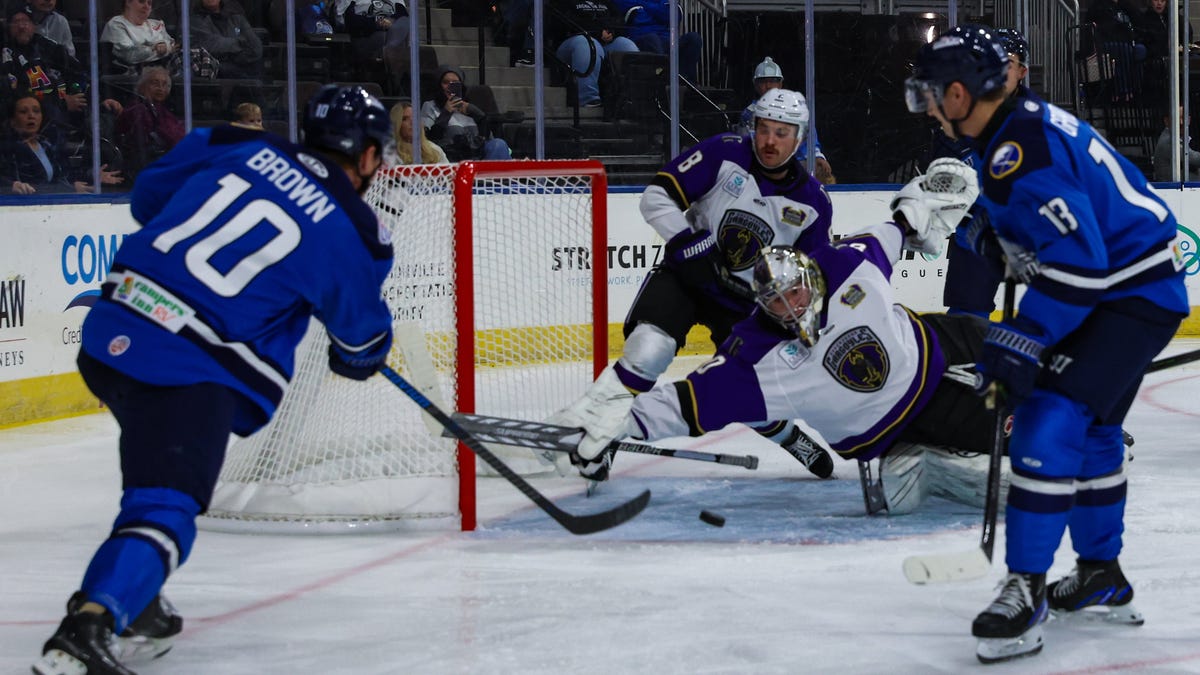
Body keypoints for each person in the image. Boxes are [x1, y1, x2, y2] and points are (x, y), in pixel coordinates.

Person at [31, 84, 396, 675]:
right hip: (185, 372)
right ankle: (90, 624)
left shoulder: (233, 143)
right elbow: (359, 345)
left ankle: (137, 594)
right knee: (164, 505)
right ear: (370, 157)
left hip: (109, 336)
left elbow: (149, 197)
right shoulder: (355, 230)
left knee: (152, 463)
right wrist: (361, 353)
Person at [905, 26, 1188, 663]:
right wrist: (994, 238)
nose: (925, 106)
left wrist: (1022, 338)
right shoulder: (1012, 129)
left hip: (1125, 294)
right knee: (1090, 430)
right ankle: (1100, 577)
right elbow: (1054, 223)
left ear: (958, 94)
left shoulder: (1017, 147)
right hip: (1134, 283)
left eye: (929, 94)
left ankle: (1027, 586)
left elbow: (1079, 265)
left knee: (1047, 418)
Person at [564, 160, 999, 508]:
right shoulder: (753, 359)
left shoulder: (847, 264)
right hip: (900, 418)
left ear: (810, 276)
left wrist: (921, 207)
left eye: (794, 292)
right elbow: (684, 403)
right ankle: (934, 462)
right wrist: (618, 427)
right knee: (1020, 432)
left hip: (938, 339)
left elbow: (899, 229)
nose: (790, 306)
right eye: (775, 301)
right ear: (760, 304)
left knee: (1025, 352)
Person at [550, 88, 836, 482]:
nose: (770, 141)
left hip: (745, 306)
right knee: (648, 350)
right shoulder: (725, 152)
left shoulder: (813, 203)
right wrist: (691, 243)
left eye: (782, 133)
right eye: (764, 129)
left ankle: (788, 437)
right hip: (686, 277)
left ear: (800, 138)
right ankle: (598, 432)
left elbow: (811, 277)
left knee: (743, 392)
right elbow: (655, 197)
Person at [734, 57, 834, 184]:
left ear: (781, 83)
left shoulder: (795, 107)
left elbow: (807, 137)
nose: (769, 86)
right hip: (763, 167)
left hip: (795, 163)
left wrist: (817, 156)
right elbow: (746, 147)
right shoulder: (749, 113)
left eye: (773, 81)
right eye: (763, 81)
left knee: (819, 169)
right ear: (756, 85)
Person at [1, 94, 123, 194]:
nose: (31, 116)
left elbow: (62, 175)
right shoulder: (8, 149)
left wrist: (91, 175)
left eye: (36, 111)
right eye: (23, 112)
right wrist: (69, 189)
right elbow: (28, 188)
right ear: (12, 120)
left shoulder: (45, 144)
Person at [420, 67, 511, 161]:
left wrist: (478, 115)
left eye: (455, 83)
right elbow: (428, 139)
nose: (450, 87)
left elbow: (486, 139)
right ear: (439, 85)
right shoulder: (430, 106)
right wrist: (446, 113)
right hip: (450, 157)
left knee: (499, 144)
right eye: (446, 82)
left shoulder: (468, 108)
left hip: (477, 158)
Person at [115, 66, 186, 183]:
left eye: (164, 85)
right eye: (155, 83)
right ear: (143, 87)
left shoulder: (164, 112)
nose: (160, 88)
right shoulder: (136, 109)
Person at [611, 0, 702, 82]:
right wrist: (659, 11)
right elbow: (625, 10)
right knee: (652, 39)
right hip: (640, 39)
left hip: (668, 41)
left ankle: (686, 83)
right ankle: (664, 81)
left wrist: (643, 6)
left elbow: (674, 15)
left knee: (694, 38)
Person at [100, 0, 180, 73]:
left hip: (164, 73)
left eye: (149, 3)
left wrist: (164, 46)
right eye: (141, 1)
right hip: (130, 76)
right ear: (128, 2)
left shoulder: (156, 24)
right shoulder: (116, 24)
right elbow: (130, 55)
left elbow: (173, 46)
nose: (146, 6)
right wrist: (158, 48)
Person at [191, 0, 264, 79]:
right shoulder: (192, 20)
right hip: (213, 81)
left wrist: (225, 57)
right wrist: (240, 44)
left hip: (242, 79)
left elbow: (256, 47)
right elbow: (209, 46)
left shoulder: (237, 16)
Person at [390, 100, 447, 164]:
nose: (413, 122)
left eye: (415, 117)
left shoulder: (435, 150)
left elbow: (450, 173)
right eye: (405, 119)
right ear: (396, 125)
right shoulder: (389, 154)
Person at [1153, 111, 1200, 180]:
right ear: (1166, 121)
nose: (1181, 122)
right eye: (1177, 118)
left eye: (1183, 118)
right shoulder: (1169, 140)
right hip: (1170, 188)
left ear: (1189, 120)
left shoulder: (1177, 137)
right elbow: (1195, 159)